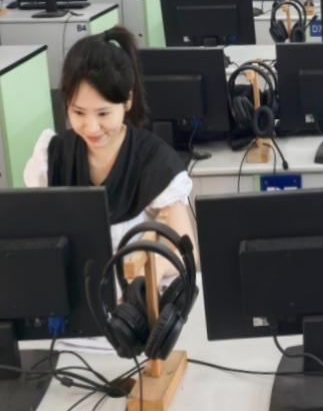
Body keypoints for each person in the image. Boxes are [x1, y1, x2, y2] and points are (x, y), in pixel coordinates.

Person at [24, 27, 195, 281]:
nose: (91, 127)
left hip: (133, 299)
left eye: (103, 113)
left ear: (127, 100)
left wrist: (155, 270)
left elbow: (187, 254)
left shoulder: (155, 163)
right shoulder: (52, 157)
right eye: (78, 112)